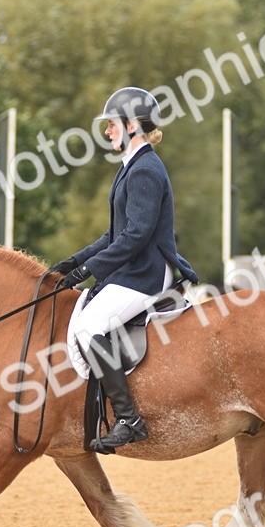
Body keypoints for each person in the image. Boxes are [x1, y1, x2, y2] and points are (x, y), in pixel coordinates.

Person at [49, 86, 198, 452]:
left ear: (132, 125)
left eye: (112, 124)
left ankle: (129, 419)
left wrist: (90, 270)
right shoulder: (132, 166)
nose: (107, 131)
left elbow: (135, 236)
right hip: (133, 269)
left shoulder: (145, 170)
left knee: (89, 325)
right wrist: (75, 262)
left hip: (146, 272)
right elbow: (114, 233)